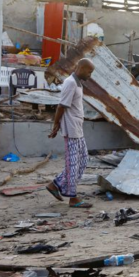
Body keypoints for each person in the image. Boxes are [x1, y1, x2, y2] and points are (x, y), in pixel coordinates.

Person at [47, 58, 95, 208]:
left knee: (83, 160)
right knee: (73, 164)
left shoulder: (77, 83)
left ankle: (56, 184)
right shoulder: (70, 83)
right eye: (89, 71)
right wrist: (56, 125)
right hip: (71, 128)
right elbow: (61, 106)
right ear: (80, 67)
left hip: (77, 128)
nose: (90, 75)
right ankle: (73, 198)